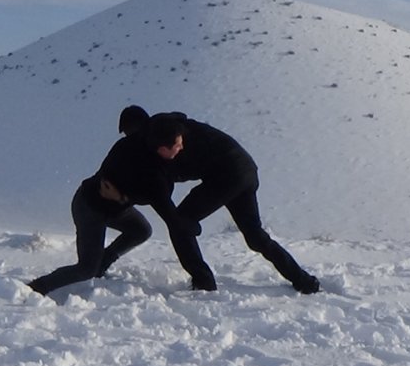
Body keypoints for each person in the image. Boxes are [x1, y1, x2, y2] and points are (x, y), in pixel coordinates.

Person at [137, 107, 321, 294]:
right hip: (246, 170)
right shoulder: (176, 128)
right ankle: (303, 281)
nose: (180, 147)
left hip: (230, 175)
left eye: (177, 146)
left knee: (180, 222)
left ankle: (204, 283)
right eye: (176, 147)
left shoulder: (176, 141)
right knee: (255, 236)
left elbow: (176, 176)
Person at [27, 126, 198, 296]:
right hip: (90, 208)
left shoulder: (150, 151)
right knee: (86, 269)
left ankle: (103, 262)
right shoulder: (147, 173)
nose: (182, 148)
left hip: (117, 207)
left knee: (141, 230)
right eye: (177, 146)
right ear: (163, 149)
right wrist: (192, 227)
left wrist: (122, 199)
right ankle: (38, 287)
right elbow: (166, 210)